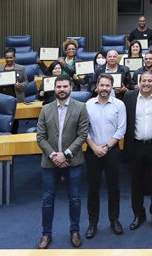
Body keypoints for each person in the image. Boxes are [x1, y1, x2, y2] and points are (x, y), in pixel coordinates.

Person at [35, 75, 90, 249]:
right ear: (54, 88)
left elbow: (82, 134)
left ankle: (75, 231)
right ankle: (46, 234)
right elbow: (40, 137)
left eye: (65, 86)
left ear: (71, 88)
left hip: (73, 161)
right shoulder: (46, 109)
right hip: (50, 162)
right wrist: (54, 156)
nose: (61, 89)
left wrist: (65, 155)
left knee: (74, 198)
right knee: (47, 199)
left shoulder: (80, 107)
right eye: (58, 86)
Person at [123, 71, 152, 231]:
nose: (146, 84)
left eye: (150, 81)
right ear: (139, 82)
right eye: (144, 81)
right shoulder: (129, 96)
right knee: (136, 183)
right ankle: (138, 215)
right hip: (135, 146)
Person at [84, 73, 126, 239]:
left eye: (107, 86)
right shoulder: (87, 104)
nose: (104, 88)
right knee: (93, 189)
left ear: (111, 87)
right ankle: (92, 223)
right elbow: (84, 129)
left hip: (112, 151)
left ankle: (114, 220)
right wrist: (94, 147)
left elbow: (121, 129)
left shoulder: (119, 105)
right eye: (101, 85)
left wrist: (106, 147)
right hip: (92, 151)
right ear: (97, 86)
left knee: (113, 188)